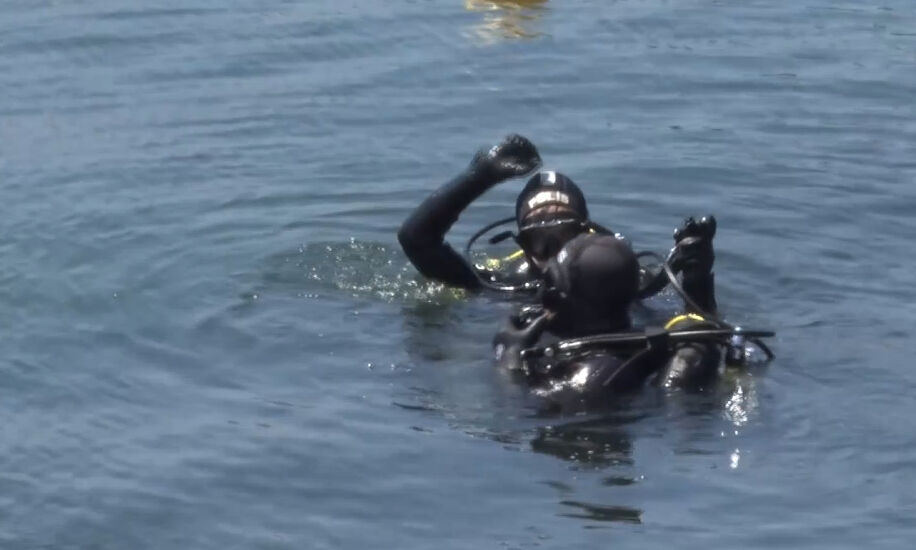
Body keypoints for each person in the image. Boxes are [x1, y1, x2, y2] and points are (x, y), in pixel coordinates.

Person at [492, 215, 736, 408]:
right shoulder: (647, 346)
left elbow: (516, 412)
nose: (545, 295)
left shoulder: (585, 379)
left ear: (573, 302)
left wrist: (508, 358)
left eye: (552, 286)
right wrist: (697, 282)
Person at [397, 134, 669, 296]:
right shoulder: (500, 286)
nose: (555, 255)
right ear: (522, 246)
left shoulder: (627, 281)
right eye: (539, 240)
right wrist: (480, 175)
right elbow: (415, 239)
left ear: (587, 234)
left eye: (564, 237)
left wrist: (695, 277)